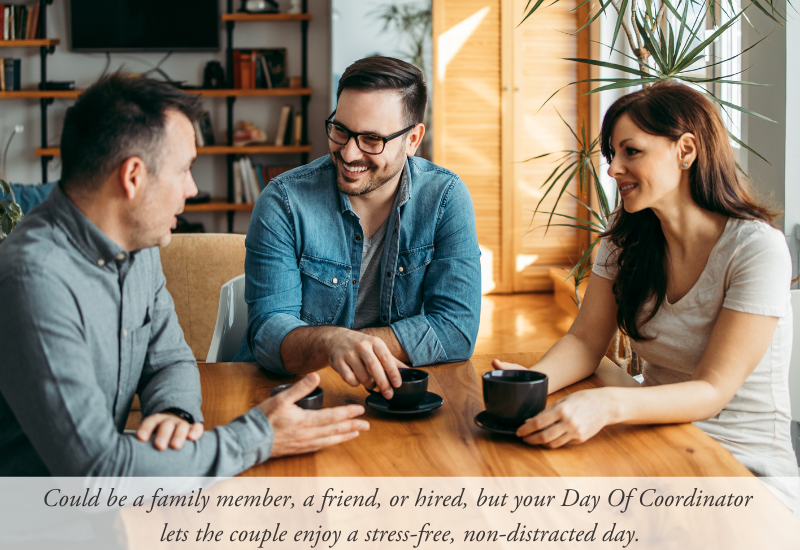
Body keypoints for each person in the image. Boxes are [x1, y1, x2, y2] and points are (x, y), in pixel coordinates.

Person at [0, 73, 368, 476]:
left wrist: (173, 413)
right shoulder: (33, 281)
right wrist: (260, 436)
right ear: (133, 177)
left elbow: (170, 360)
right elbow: (99, 470)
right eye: (184, 170)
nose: (192, 189)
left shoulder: (135, 242)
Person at [495, 82, 796, 489]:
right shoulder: (625, 241)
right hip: (654, 440)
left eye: (631, 151)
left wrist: (608, 403)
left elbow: (712, 389)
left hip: (741, 464)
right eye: (612, 154)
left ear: (685, 150)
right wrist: (533, 382)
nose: (613, 168)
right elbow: (585, 342)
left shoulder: (757, 249)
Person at [233, 56, 481, 400]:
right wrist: (333, 343)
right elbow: (268, 333)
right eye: (341, 130)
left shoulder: (445, 198)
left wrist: (356, 346)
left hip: (393, 393)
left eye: (372, 139)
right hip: (292, 395)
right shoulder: (284, 201)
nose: (349, 153)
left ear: (413, 140)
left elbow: (456, 329)